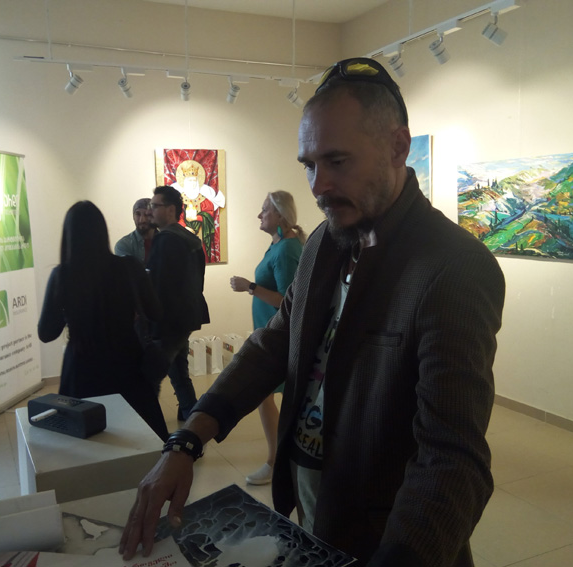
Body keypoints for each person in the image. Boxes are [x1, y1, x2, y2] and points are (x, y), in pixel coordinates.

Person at [119, 57, 506, 567]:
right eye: (309, 164)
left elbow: (452, 459)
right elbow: (276, 343)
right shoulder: (327, 240)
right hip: (315, 507)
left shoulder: (453, 267)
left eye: (337, 161)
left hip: (392, 537)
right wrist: (186, 440)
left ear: (398, 146)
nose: (318, 185)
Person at [38, 200, 169, 441]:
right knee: (142, 438)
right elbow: (156, 313)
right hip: (127, 363)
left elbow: (46, 333)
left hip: (82, 368)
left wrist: (71, 310)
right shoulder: (129, 267)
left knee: (85, 442)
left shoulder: (62, 275)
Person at [229, 190, 304, 485]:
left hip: (280, 336)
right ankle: (279, 459)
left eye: (265, 210)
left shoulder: (286, 249)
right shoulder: (278, 244)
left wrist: (250, 287)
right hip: (271, 332)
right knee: (265, 396)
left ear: (280, 215)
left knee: (266, 394)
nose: (259, 215)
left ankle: (276, 462)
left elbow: (288, 300)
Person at [146, 185, 210, 422]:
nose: (150, 210)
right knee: (179, 372)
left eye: (155, 206)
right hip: (187, 317)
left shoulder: (165, 240)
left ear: (171, 210)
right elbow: (199, 281)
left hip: (168, 321)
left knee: (149, 377)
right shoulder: (190, 239)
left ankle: (150, 424)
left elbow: (159, 286)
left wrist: (151, 321)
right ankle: (191, 416)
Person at [114, 197, 156, 264]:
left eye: (146, 214)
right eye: (138, 214)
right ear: (133, 216)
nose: (142, 220)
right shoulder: (124, 244)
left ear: (154, 216)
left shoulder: (165, 241)